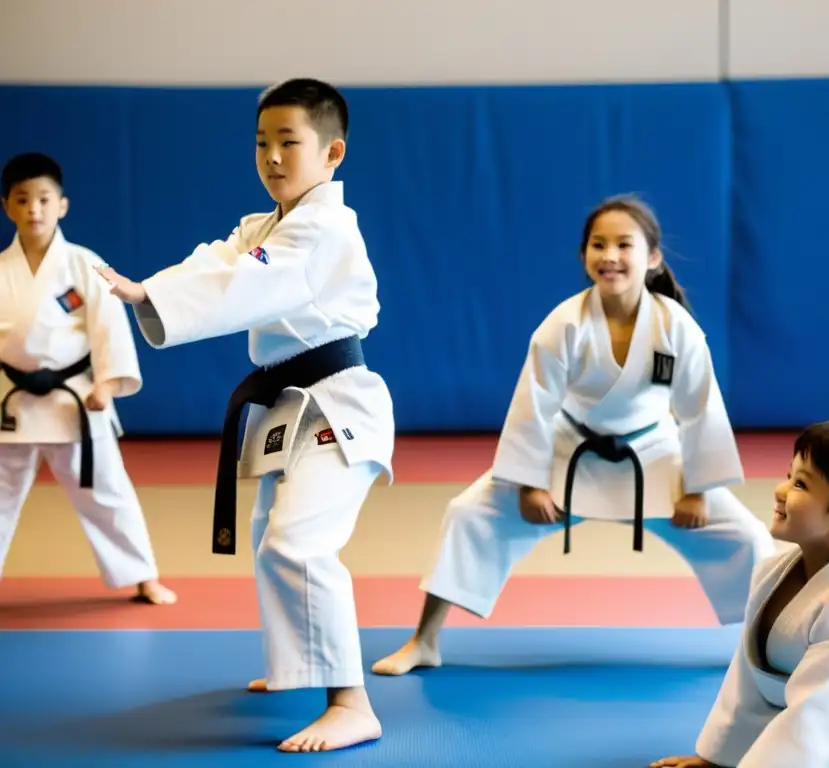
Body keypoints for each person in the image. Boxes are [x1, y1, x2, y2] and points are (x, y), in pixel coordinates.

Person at [96, 78, 395, 754]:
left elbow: (249, 282)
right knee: (271, 535)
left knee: (298, 542)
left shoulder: (324, 226)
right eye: (262, 143)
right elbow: (220, 263)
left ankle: (352, 702)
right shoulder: (264, 227)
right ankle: (299, 667)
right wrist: (151, 290)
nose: (273, 157)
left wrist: (151, 296)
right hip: (291, 404)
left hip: (338, 402)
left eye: (290, 142)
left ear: (333, 153)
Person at [372, 194, 775, 677]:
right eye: (598, 244)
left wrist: (695, 489)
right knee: (468, 514)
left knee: (748, 537)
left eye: (624, 244)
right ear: (584, 256)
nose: (609, 255)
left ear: (652, 257)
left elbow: (700, 410)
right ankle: (425, 640)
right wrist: (530, 484)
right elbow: (533, 407)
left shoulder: (676, 327)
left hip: (655, 456)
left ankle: (764, 650)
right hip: (570, 452)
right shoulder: (564, 324)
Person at [651, 420, 829, 768]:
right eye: (789, 475)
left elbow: (814, 725)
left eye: (801, 484)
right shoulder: (773, 571)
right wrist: (717, 758)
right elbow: (748, 683)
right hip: (812, 741)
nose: (780, 489)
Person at [0, 152, 175, 605]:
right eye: (23, 199)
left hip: (72, 399)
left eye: (43, 198)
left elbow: (109, 330)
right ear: (8, 207)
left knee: (106, 490)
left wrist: (107, 384)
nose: (33, 209)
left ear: (62, 205)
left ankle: (143, 575)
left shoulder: (84, 265)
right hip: (11, 399)